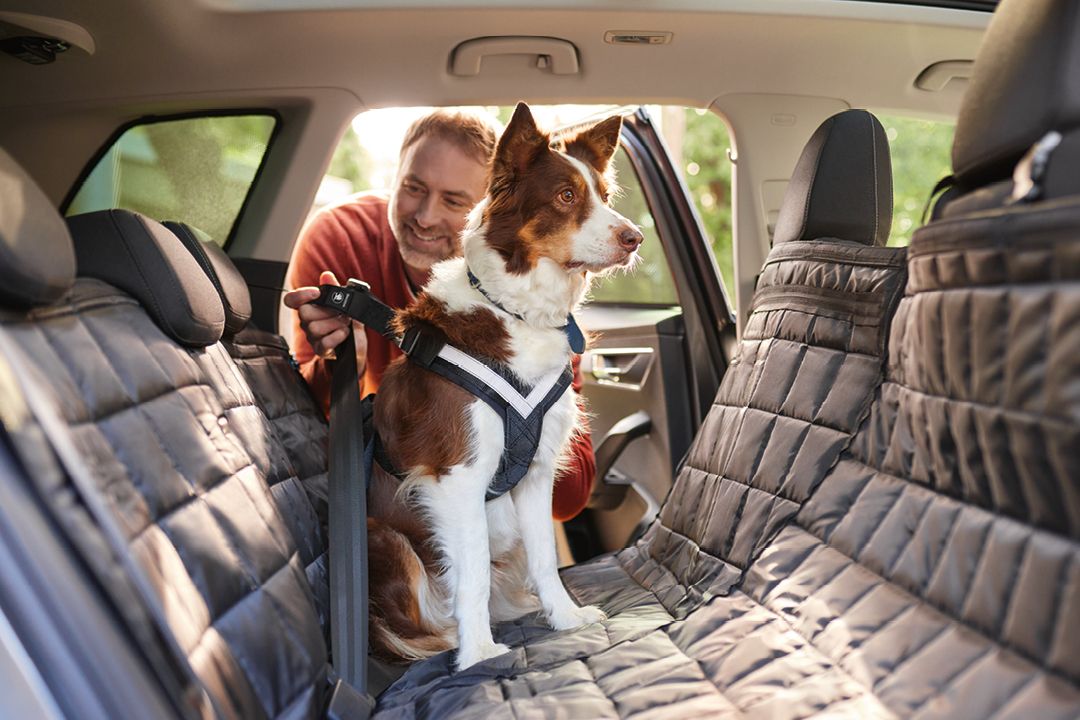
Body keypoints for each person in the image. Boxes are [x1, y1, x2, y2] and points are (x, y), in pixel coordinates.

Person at [283, 109, 596, 521]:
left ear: (495, 206)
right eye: (413, 188)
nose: (425, 217)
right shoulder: (340, 237)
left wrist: (532, 404)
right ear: (394, 179)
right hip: (382, 490)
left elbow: (571, 499)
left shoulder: (536, 293)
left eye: (453, 201)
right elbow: (303, 431)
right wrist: (341, 368)